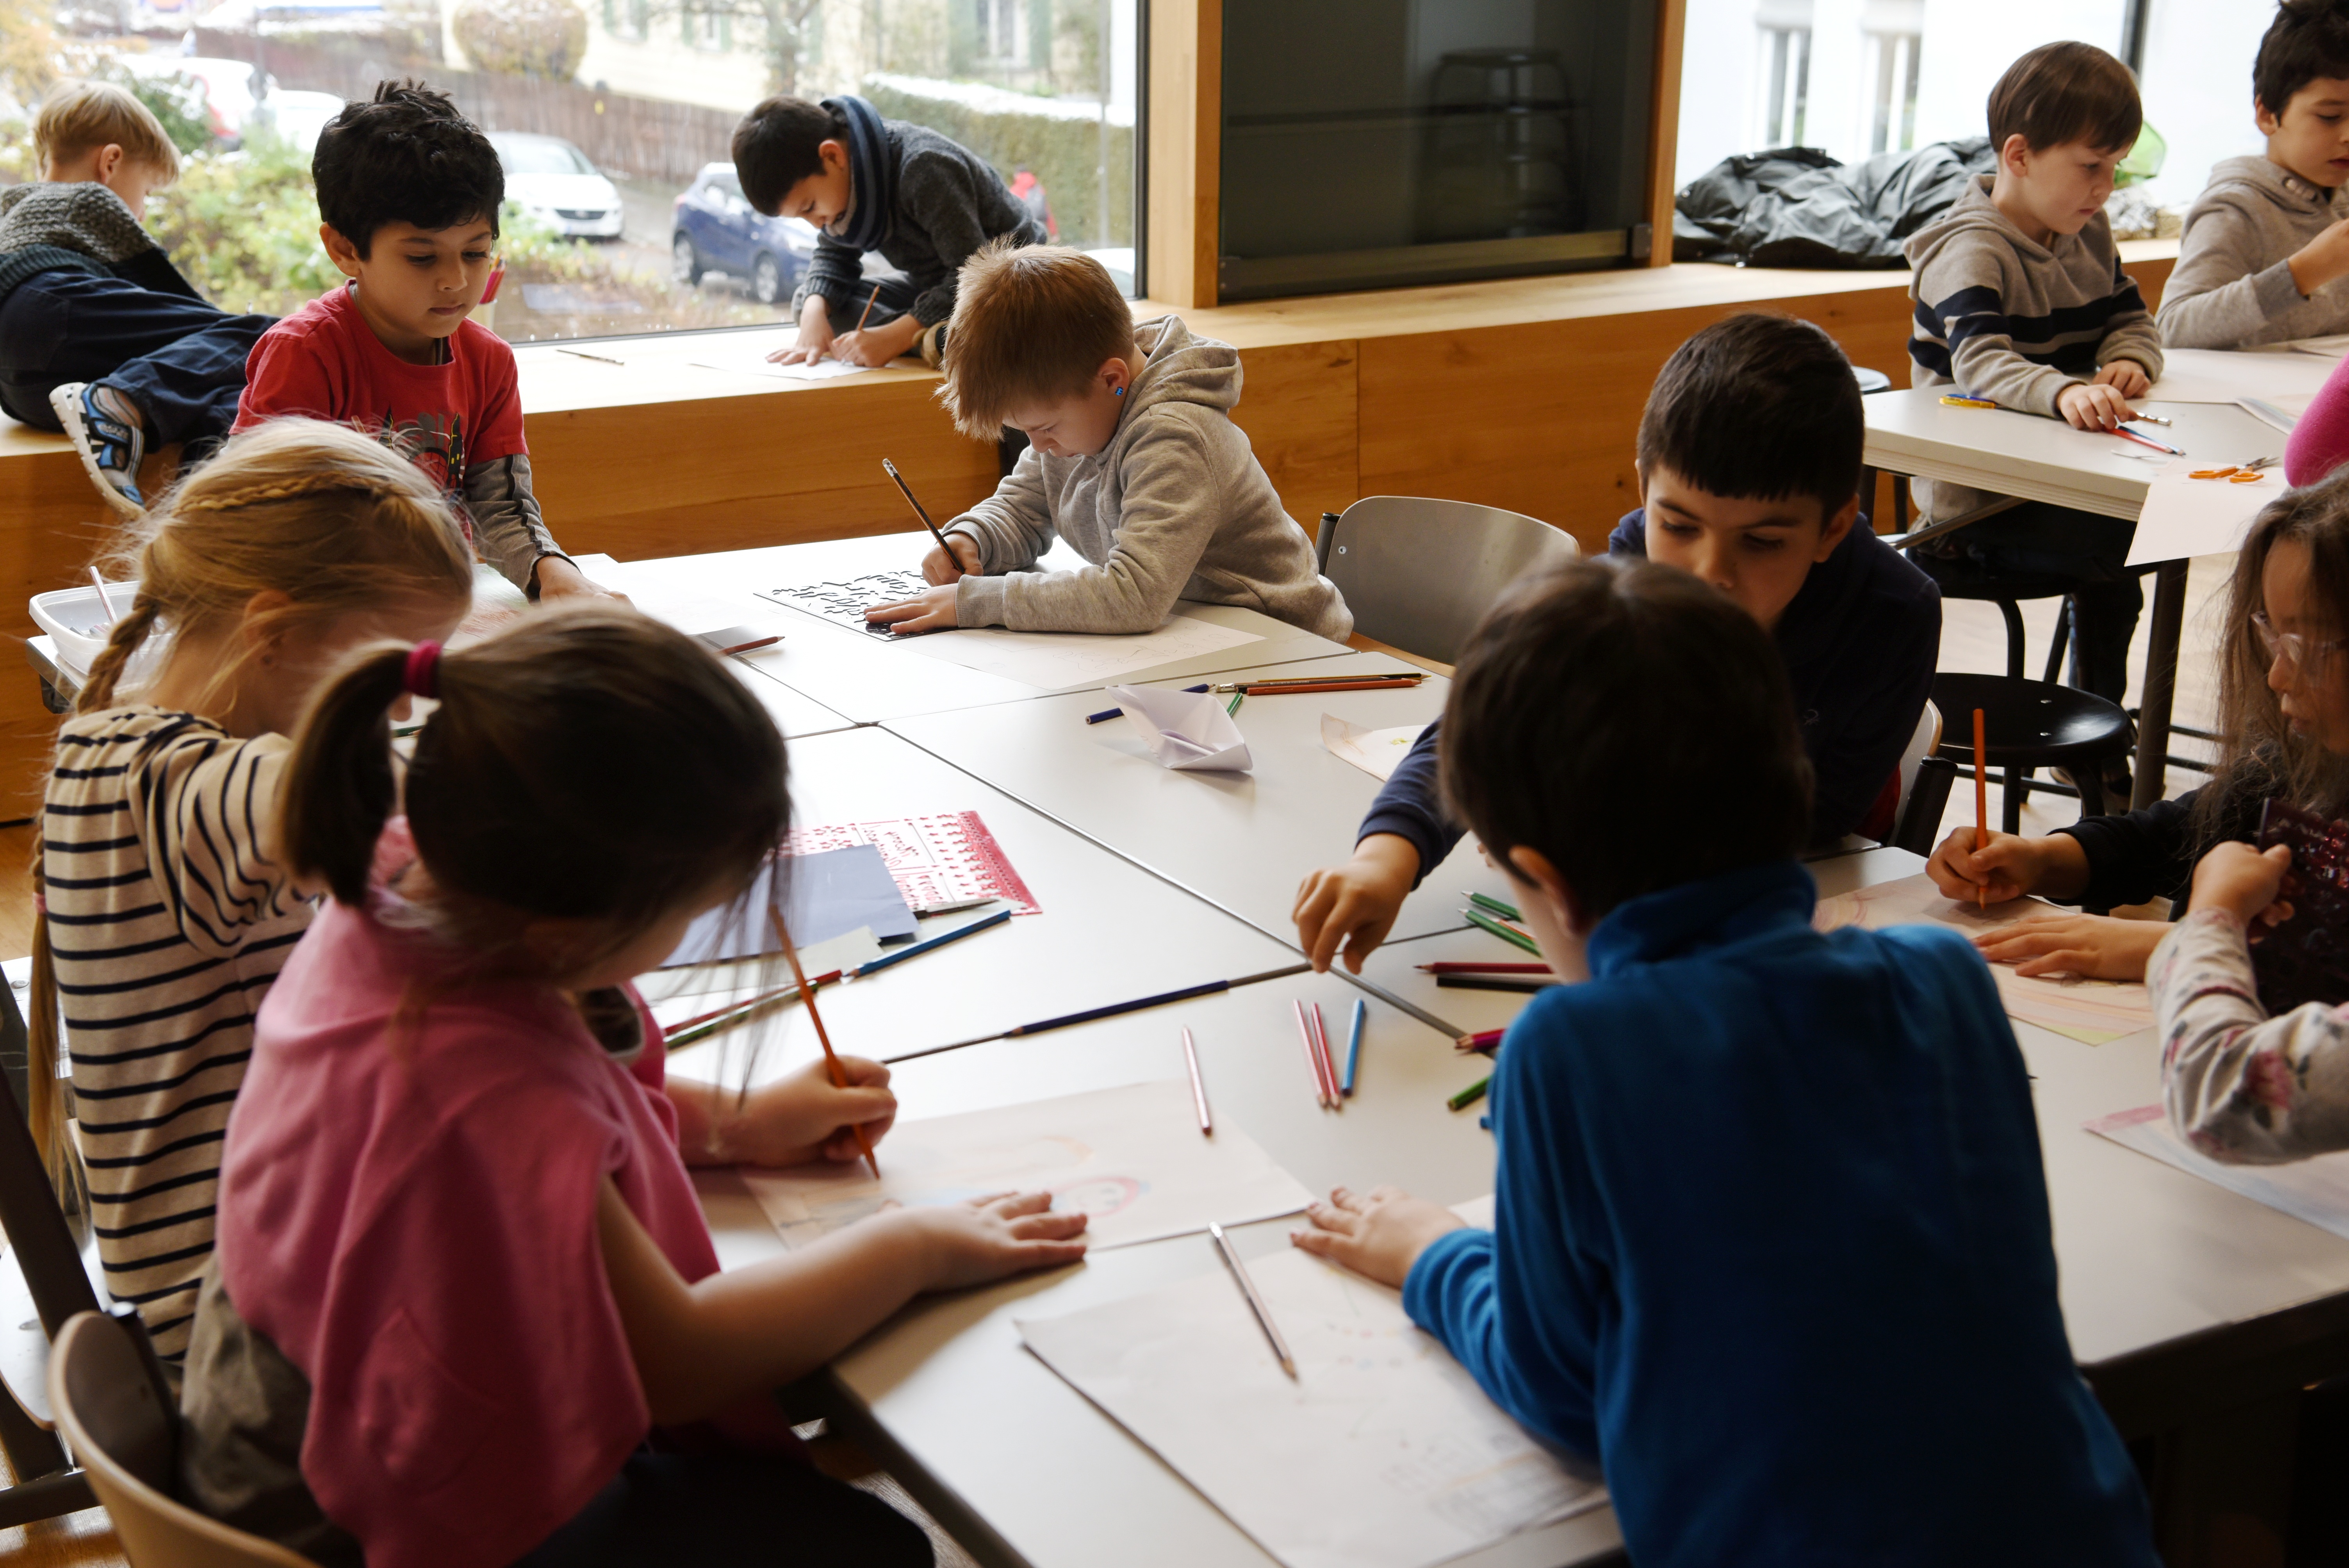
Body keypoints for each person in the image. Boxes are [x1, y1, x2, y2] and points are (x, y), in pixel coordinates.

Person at [176, 605, 1091, 1568]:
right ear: (567, 934)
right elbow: (684, 1364)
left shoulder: (410, 877)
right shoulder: (488, 1090)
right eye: (690, 914)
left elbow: (568, 1106)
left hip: (267, 1421)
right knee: (873, 1550)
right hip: (353, 1517)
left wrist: (737, 1122)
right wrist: (913, 1244)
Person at [1289, 558, 2158, 1568]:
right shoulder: (1945, 977)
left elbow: (1565, 1388)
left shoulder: (1571, 1048)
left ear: (1543, 880)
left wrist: (1432, 1253)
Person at [30, 419, 478, 1367]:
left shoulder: (118, 750)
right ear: (272, 631)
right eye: (389, 673)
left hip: (263, 1272)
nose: (403, 709)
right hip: (246, 1323)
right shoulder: (167, 783)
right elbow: (324, 802)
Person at [1294, 313, 1937, 973]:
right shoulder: (1622, 587)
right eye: (1678, 525)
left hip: (1789, 923)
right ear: (1644, 487)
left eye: (1762, 542)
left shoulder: (1894, 617)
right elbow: (1474, 737)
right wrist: (1386, 860)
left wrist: (1581, 820)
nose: (1710, 571)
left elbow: (1818, 819)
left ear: (1832, 529)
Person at [1928, 476, 2349, 982]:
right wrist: (2040, 859)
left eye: (2304, 646)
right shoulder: (2302, 754)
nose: (2277, 676)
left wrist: (2181, 945)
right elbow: (2175, 837)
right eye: (2272, 634)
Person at [233, 80, 610, 604]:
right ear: (345, 250)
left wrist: (555, 573)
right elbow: (252, 516)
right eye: (422, 258)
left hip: (436, 609)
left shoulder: (489, 363)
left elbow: (501, 508)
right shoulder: (306, 354)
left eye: (475, 253)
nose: (456, 280)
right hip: (322, 612)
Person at [861, 241, 1352, 641]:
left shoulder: (1175, 437)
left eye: (1044, 427)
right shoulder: (1081, 418)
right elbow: (1023, 508)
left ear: (1112, 379)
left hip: (1284, 647)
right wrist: (973, 538)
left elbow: (1132, 595)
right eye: (1025, 431)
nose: (1039, 446)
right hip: (1191, 635)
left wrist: (977, 602)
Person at [1904, 41, 2162, 741]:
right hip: (1975, 514)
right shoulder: (1969, 249)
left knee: (2142, 538)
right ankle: (2099, 738)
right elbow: (1982, 363)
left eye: (2115, 167)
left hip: (2062, 482)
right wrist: (2062, 393)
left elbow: (2133, 319)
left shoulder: (2087, 231)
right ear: (2019, 155)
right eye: (2091, 166)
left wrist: (2127, 358)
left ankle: (2101, 730)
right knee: (2128, 545)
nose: (2106, 187)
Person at [0, 78, 275, 517]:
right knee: (269, 338)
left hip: (26, 389)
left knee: (227, 394)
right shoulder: (81, 201)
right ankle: (116, 406)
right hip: (52, 311)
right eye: (146, 193)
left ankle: (201, 517)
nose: (142, 213)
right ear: (110, 162)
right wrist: (225, 326)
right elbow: (169, 293)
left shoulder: (12, 211)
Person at [733, 93, 1047, 371]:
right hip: (937, 285)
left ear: (832, 156)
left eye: (809, 207)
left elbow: (974, 274)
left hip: (1007, 285)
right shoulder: (848, 186)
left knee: (997, 320)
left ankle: (947, 340)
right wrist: (815, 310)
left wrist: (894, 337)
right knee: (811, 303)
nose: (816, 223)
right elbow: (834, 256)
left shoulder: (923, 167)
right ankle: (937, 339)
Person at [2160, 0, 2349, 351]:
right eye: (2329, 117)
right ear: (2267, 115)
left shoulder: (2343, 197)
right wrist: (2303, 273)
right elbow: (2174, 327)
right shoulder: (2237, 209)